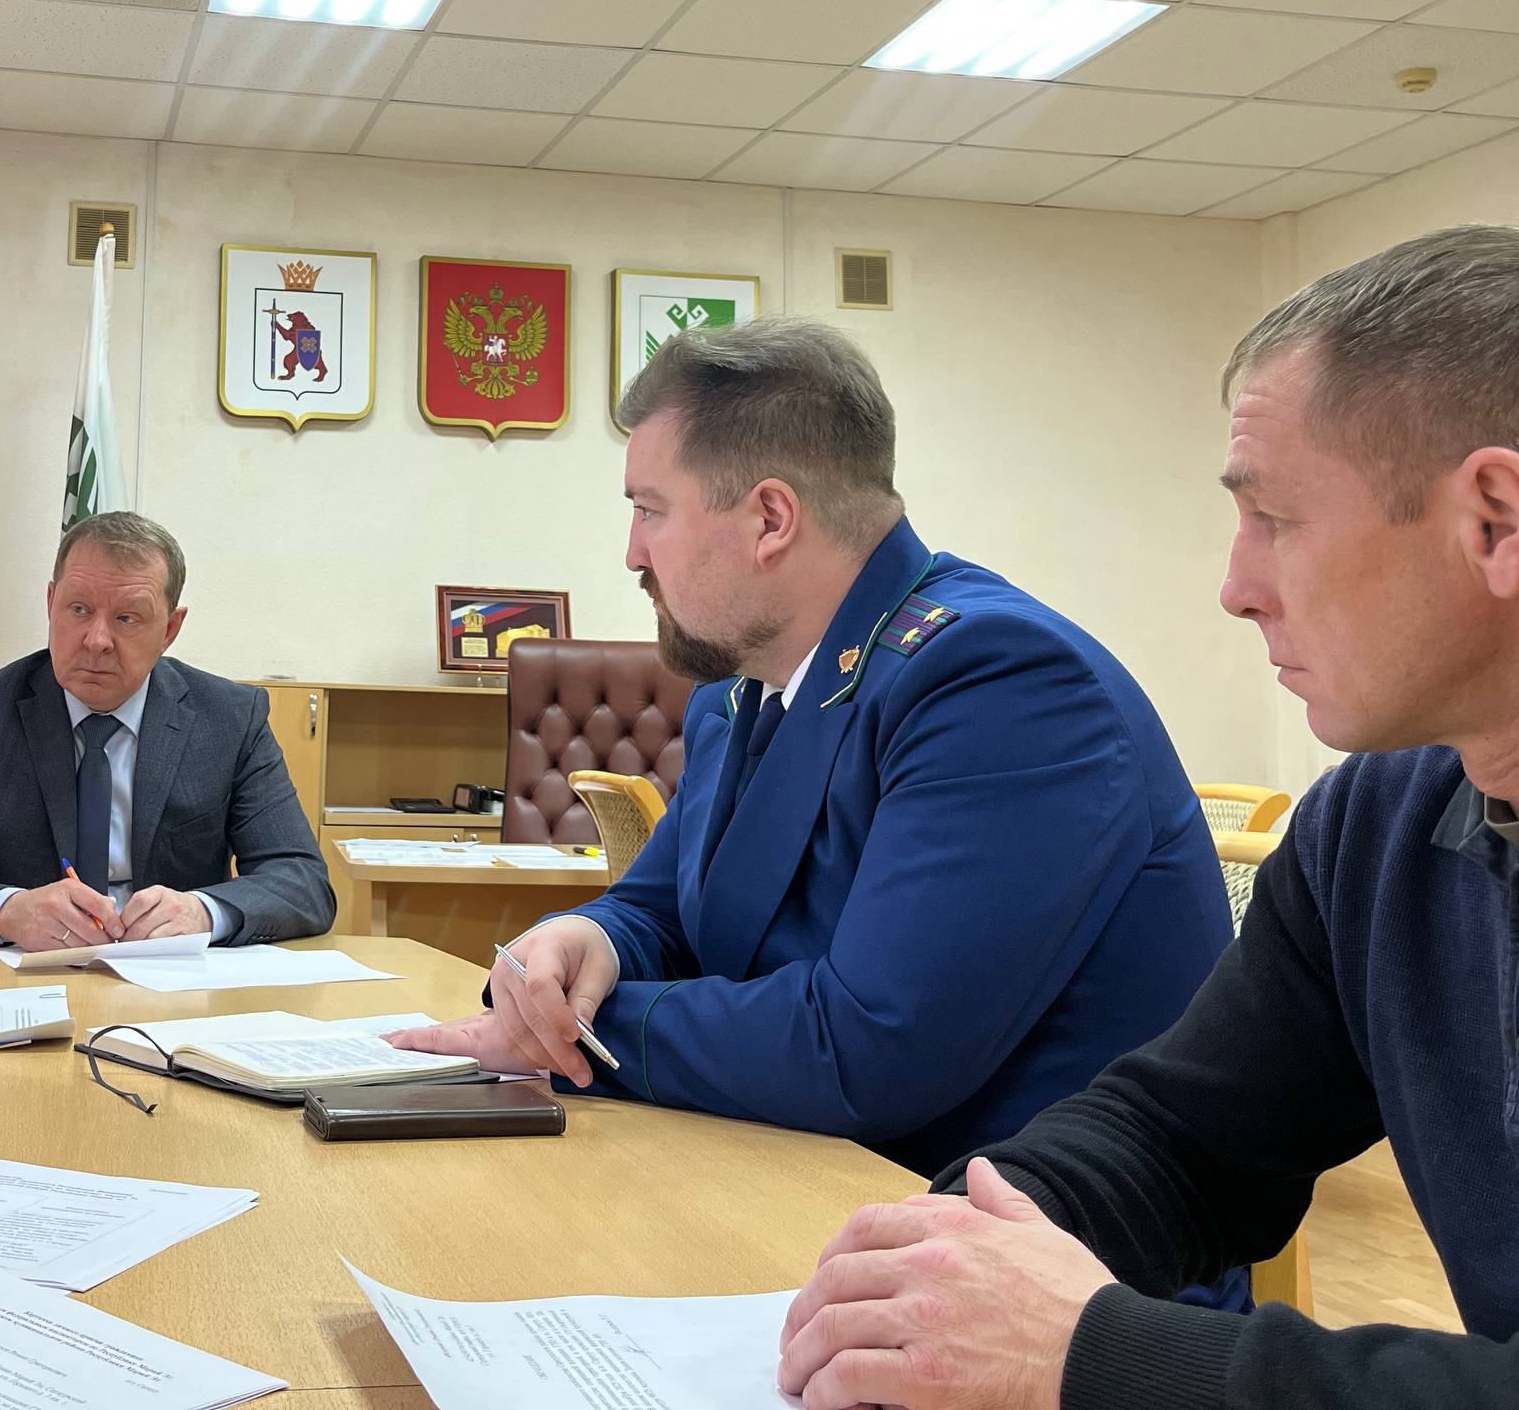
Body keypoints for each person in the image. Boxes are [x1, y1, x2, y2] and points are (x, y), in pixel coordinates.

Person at [778, 225, 1519, 1409]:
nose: (1236, 588)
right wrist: (941, 1263)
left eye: (1274, 521)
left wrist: (1100, 1359)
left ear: (1495, 522)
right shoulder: (1375, 828)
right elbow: (1184, 1136)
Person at [390, 317, 1233, 1182]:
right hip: (814, 1178)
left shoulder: (996, 682)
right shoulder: (741, 688)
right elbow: (663, 914)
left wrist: (572, 1032)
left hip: (1025, 1230)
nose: (632, 553)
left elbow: (867, 1047)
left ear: (770, 519)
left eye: (649, 510)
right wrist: (585, 942)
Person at [0, 510, 331, 949]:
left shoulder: (229, 718)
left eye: (126, 618)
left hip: (175, 984)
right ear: (51, 604)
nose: (97, 640)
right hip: (27, 978)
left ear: (169, 630)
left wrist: (204, 912)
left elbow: (302, 882)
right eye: (79, 609)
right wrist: (7, 911)